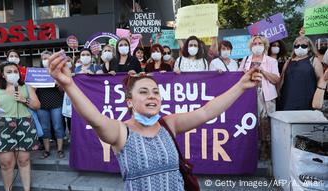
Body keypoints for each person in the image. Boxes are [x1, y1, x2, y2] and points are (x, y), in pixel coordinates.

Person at [48, 50, 262, 190]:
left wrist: (240, 86)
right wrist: (69, 85)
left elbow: (207, 112)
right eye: (144, 91)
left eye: (155, 91)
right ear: (129, 102)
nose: (152, 96)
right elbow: (95, 118)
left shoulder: (169, 125)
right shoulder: (121, 133)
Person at [0, 62, 40, 191]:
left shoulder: (27, 87)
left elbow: (37, 106)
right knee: (6, 163)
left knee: (24, 160)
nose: (13, 74)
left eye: (15, 71)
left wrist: (24, 100)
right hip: (2, 125)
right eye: (9, 72)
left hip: (24, 124)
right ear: (3, 75)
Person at [239, 35, 280, 160]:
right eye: (255, 43)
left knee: (265, 123)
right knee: (250, 122)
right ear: (251, 46)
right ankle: (250, 151)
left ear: (264, 46)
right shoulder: (245, 60)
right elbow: (238, 78)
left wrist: (263, 71)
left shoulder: (272, 61)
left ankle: (265, 151)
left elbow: (276, 79)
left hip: (266, 97)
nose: (257, 46)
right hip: (248, 96)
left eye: (260, 43)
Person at [279, 36, 323, 111]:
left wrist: (318, 96)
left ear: (309, 48)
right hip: (288, 98)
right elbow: (282, 79)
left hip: (307, 98)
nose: (300, 48)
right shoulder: (288, 61)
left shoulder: (314, 60)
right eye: (297, 46)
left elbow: (320, 79)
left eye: (303, 46)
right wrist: (278, 94)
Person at [36, 51, 65, 159]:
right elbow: (32, 89)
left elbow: (64, 89)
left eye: (48, 58)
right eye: (43, 58)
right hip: (41, 104)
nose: (46, 60)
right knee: (45, 128)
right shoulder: (36, 72)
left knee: (58, 126)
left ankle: (60, 149)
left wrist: (59, 84)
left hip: (56, 102)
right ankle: (47, 150)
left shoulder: (58, 71)